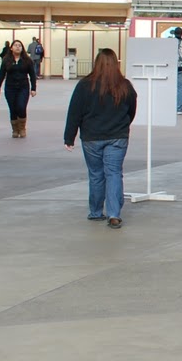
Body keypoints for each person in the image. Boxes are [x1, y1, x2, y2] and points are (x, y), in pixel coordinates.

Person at [63, 48, 138, 229]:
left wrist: (69, 137)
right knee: (114, 173)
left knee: (96, 174)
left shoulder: (84, 85)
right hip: (117, 136)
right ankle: (114, 214)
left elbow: (74, 112)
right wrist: (123, 125)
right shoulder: (125, 85)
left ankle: (96, 211)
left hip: (91, 137)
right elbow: (131, 110)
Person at [0, 39, 38, 139]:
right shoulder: (6, 60)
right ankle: (15, 129)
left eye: (20, 45)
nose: (18, 47)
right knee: (13, 108)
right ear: (11, 48)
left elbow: (32, 75)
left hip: (23, 87)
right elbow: (1, 75)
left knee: (21, 107)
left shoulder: (27, 60)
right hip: (10, 88)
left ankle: (22, 128)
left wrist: (33, 88)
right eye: (15, 45)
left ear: (22, 48)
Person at [169, 27, 182, 112]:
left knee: (170, 88)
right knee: (180, 89)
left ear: (174, 34)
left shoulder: (170, 43)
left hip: (171, 68)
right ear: (181, 34)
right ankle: (178, 108)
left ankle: (170, 107)